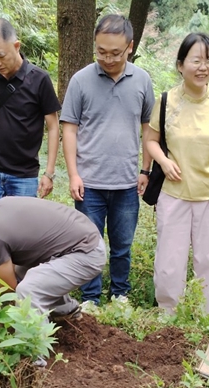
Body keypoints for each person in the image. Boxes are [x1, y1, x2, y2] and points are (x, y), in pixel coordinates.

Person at [144, 33, 209, 315]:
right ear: (180, 65)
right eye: (196, 60)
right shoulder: (166, 101)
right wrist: (162, 160)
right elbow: (151, 140)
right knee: (169, 260)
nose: (203, 67)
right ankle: (168, 315)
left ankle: (204, 318)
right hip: (173, 194)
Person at [61, 14, 155, 306]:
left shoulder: (142, 80)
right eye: (101, 51)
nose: (107, 58)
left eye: (115, 52)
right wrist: (74, 174)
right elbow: (69, 129)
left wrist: (145, 169)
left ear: (130, 46)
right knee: (88, 244)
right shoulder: (81, 80)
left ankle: (120, 295)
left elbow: (149, 128)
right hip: (89, 182)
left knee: (122, 246)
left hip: (126, 182)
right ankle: (90, 298)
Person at [0, 18, 61, 283]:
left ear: (16, 45)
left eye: (1, 55)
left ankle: (20, 285)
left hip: (23, 173)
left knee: (22, 233)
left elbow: (53, 126)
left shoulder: (39, 79)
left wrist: (49, 172)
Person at [0, 194, 105, 321]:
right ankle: (67, 311)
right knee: (28, 275)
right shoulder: (2, 204)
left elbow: (9, 288)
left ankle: (35, 356)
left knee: (28, 290)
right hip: (86, 238)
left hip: (86, 252)